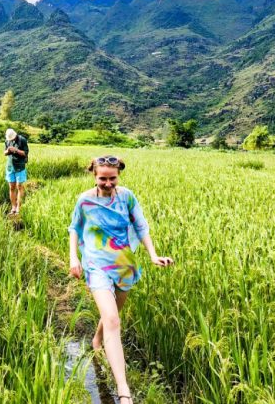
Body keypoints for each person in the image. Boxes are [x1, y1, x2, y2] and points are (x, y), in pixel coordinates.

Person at [68, 155, 173, 403]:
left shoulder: (126, 197)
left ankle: (96, 340)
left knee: (113, 314)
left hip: (123, 264)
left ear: (119, 175)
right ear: (94, 175)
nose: (107, 183)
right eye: (102, 178)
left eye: (112, 178)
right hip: (96, 264)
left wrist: (153, 255)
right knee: (113, 319)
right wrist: (74, 258)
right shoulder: (84, 200)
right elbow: (74, 228)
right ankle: (124, 391)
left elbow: (141, 227)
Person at [4, 128, 29, 215]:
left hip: (20, 166)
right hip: (10, 167)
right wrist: (8, 151)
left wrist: (16, 150)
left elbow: (25, 153)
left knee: (19, 186)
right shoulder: (7, 141)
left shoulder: (22, 140)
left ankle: (19, 207)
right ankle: (13, 207)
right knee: (11, 187)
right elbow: (4, 152)